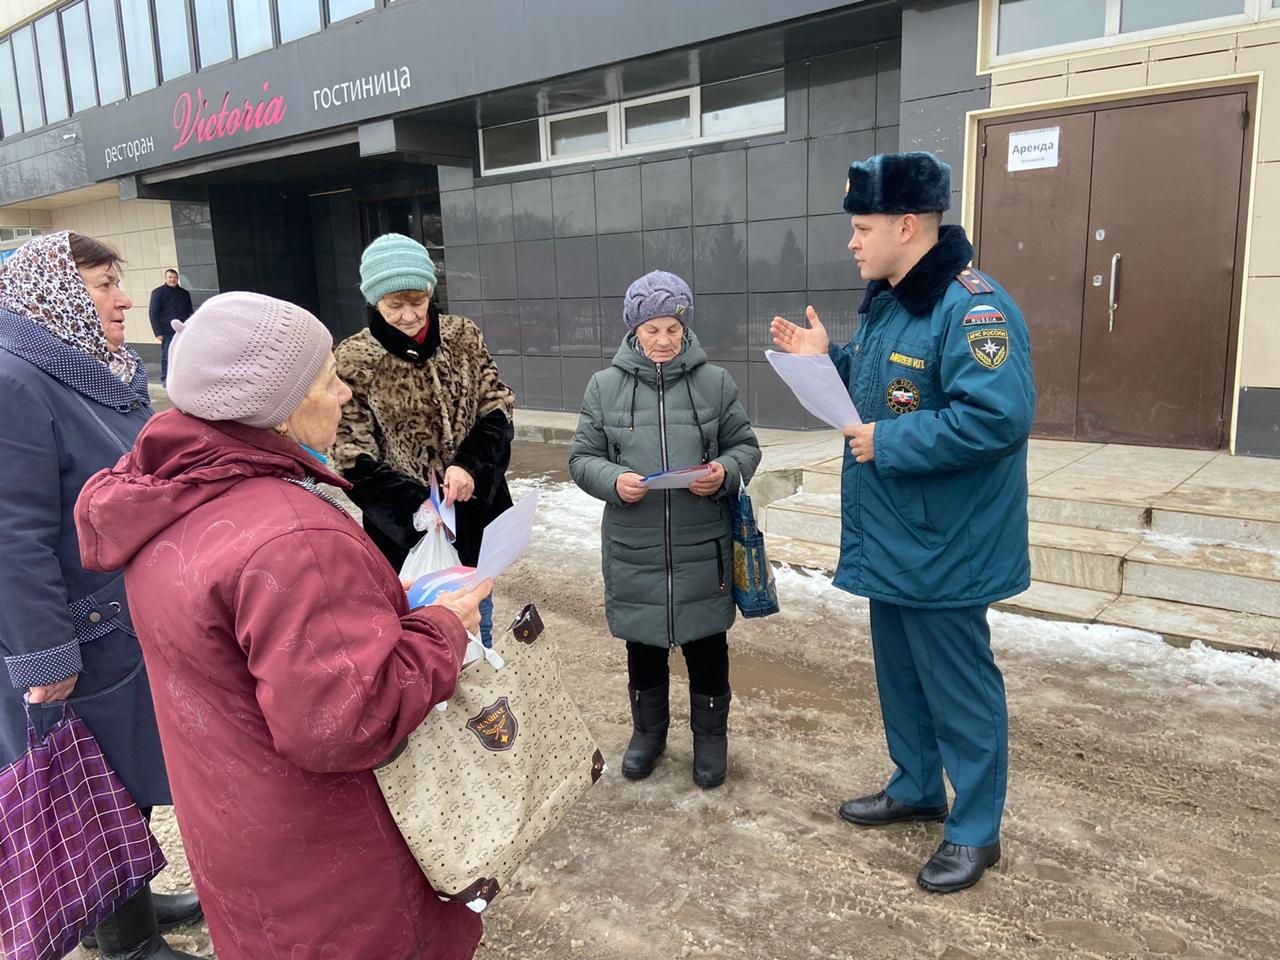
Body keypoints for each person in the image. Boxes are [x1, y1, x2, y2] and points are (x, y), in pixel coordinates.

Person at [75, 291, 492, 960]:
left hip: (245, 839)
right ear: (280, 405)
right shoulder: (291, 535)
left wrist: (381, 605)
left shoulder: (170, 493)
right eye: (329, 380)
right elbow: (350, 720)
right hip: (339, 869)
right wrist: (443, 624)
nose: (346, 394)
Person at [771, 151, 1036, 893]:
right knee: (903, 675)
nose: (852, 242)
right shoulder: (893, 299)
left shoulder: (972, 307)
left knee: (959, 687)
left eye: (863, 227)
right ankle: (918, 784)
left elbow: (997, 418)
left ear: (908, 225)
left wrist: (889, 441)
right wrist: (832, 359)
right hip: (899, 534)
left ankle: (976, 830)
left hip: (949, 542)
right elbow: (894, 380)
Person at [0, 231, 202, 959]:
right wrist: (43, 655)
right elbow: (10, 534)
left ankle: (130, 903)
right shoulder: (15, 380)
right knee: (95, 782)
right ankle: (123, 941)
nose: (124, 299)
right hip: (70, 634)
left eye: (119, 281)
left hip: (115, 620)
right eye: (103, 283)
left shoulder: (91, 368)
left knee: (123, 777)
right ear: (54, 293)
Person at [570, 271, 761, 789]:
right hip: (636, 546)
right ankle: (647, 736)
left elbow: (745, 446)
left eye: (672, 329)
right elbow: (582, 458)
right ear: (634, 330)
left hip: (704, 545)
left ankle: (710, 739)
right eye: (652, 329)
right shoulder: (604, 386)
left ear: (685, 328)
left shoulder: (715, 382)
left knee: (707, 647)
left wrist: (724, 472)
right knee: (643, 647)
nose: (663, 341)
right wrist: (614, 480)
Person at [333, 233, 515, 647]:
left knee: (477, 625)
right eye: (394, 305)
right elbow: (349, 452)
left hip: (474, 515)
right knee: (419, 638)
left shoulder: (463, 337)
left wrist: (470, 465)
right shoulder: (356, 358)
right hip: (407, 534)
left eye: (417, 301)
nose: (409, 315)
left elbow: (497, 407)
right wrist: (415, 505)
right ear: (374, 300)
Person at [147, 268, 193, 386]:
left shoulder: (184, 293)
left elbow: (190, 312)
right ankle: (165, 379)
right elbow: (153, 313)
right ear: (166, 278)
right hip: (166, 331)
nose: (173, 280)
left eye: (175, 277)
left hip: (182, 330)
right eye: (170, 277)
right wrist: (157, 332)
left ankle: (182, 377)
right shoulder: (158, 293)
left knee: (183, 354)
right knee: (167, 356)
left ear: (178, 278)